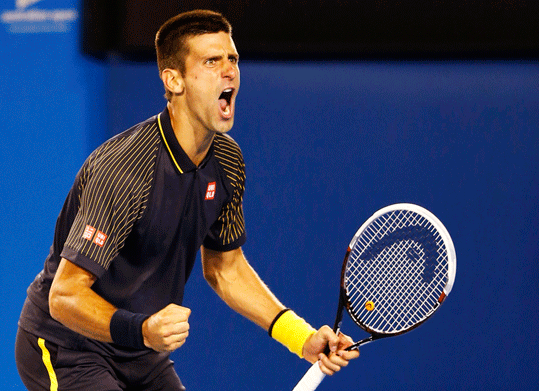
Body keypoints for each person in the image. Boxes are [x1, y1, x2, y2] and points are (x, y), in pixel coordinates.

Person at [15, 9, 359, 390]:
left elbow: (224, 267)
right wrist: (144, 329)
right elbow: (63, 296)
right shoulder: (126, 171)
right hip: (67, 346)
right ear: (173, 80)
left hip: (140, 352)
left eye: (233, 59)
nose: (229, 71)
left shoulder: (227, 162)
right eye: (212, 61)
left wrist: (301, 337)